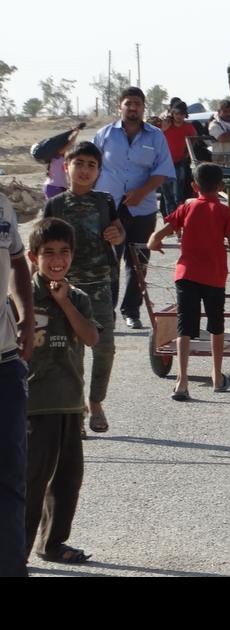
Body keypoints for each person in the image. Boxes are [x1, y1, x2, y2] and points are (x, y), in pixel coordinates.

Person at [23, 217, 99, 565]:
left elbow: (92, 338)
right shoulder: (20, 297)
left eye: (64, 252)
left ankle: (52, 544)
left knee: (67, 481)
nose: (57, 259)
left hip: (69, 402)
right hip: (33, 404)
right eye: (48, 253)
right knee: (31, 480)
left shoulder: (78, 297)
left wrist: (66, 303)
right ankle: (15, 550)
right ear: (31, 256)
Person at [39, 141, 126, 435]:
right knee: (71, 353)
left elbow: (118, 230)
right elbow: (42, 246)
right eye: (80, 164)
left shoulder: (105, 201)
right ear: (67, 168)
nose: (85, 170)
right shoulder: (55, 205)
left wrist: (117, 234)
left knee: (105, 349)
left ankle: (96, 401)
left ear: (99, 171)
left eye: (92, 165)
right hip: (66, 288)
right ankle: (76, 408)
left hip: (101, 285)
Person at [147, 162, 230, 400]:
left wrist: (156, 244)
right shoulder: (225, 212)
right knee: (216, 325)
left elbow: (154, 239)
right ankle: (217, 376)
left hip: (186, 276)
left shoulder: (186, 209)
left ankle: (182, 381)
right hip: (214, 277)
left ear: (193, 186)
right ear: (221, 186)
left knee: (185, 327)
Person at [92, 86, 176, 331]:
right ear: (120, 106)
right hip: (109, 210)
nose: (133, 108)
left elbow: (163, 170)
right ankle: (106, 314)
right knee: (109, 262)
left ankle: (131, 311)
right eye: (128, 103)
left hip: (143, 210)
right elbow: (90, 167)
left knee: (138, 262)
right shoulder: (104, 135)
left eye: (137, 103)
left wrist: (142, 192)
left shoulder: (156, 136)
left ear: (143, 107)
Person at [1, 192, 36, 577]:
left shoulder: (2, 206)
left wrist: (25, 314)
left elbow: (17, 261)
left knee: (11, 474)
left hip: (5, 363)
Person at [160, 101, 198, 216]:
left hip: (179, 163)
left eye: (182, 114)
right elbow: (152, 134)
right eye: (176, 113)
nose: (179, 116)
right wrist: (162, 127)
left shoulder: (188, 127)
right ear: (172, 113)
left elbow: (194, 139)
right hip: (163, 164)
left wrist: (187, 152)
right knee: (168, 197)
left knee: (178, 196)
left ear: (185, 115)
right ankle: (171, 223)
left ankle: (179, 222)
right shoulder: (165, 124)